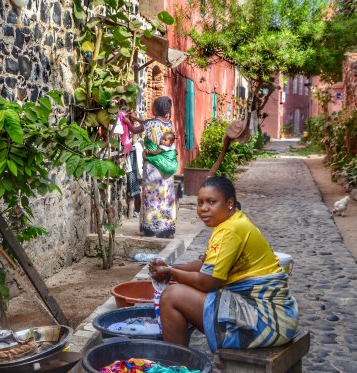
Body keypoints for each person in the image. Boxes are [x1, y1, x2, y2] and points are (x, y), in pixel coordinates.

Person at [148, 176, 299, 352]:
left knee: (172, 295)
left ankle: (175, 366)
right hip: (280, 317)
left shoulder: (230, 230)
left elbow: (207, 282)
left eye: (211, 202)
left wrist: (171, 272)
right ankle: (180, 363)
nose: (203, 208)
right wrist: (169, 268)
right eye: (200, 202)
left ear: (229, 203)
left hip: (268, 323)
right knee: (181, 288)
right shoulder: (234, 221)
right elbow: (204, 265)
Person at [126, 96, 178, 238]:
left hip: (153, 167)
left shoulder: (149, 125)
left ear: (154, 109)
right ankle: (167, 229)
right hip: (166, 168)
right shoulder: (169, 124)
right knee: (166, 196)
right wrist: (137, 118)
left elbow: (135, 130)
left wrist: (127, 122)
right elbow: (150, 123)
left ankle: (151, 228)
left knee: (152, 196)